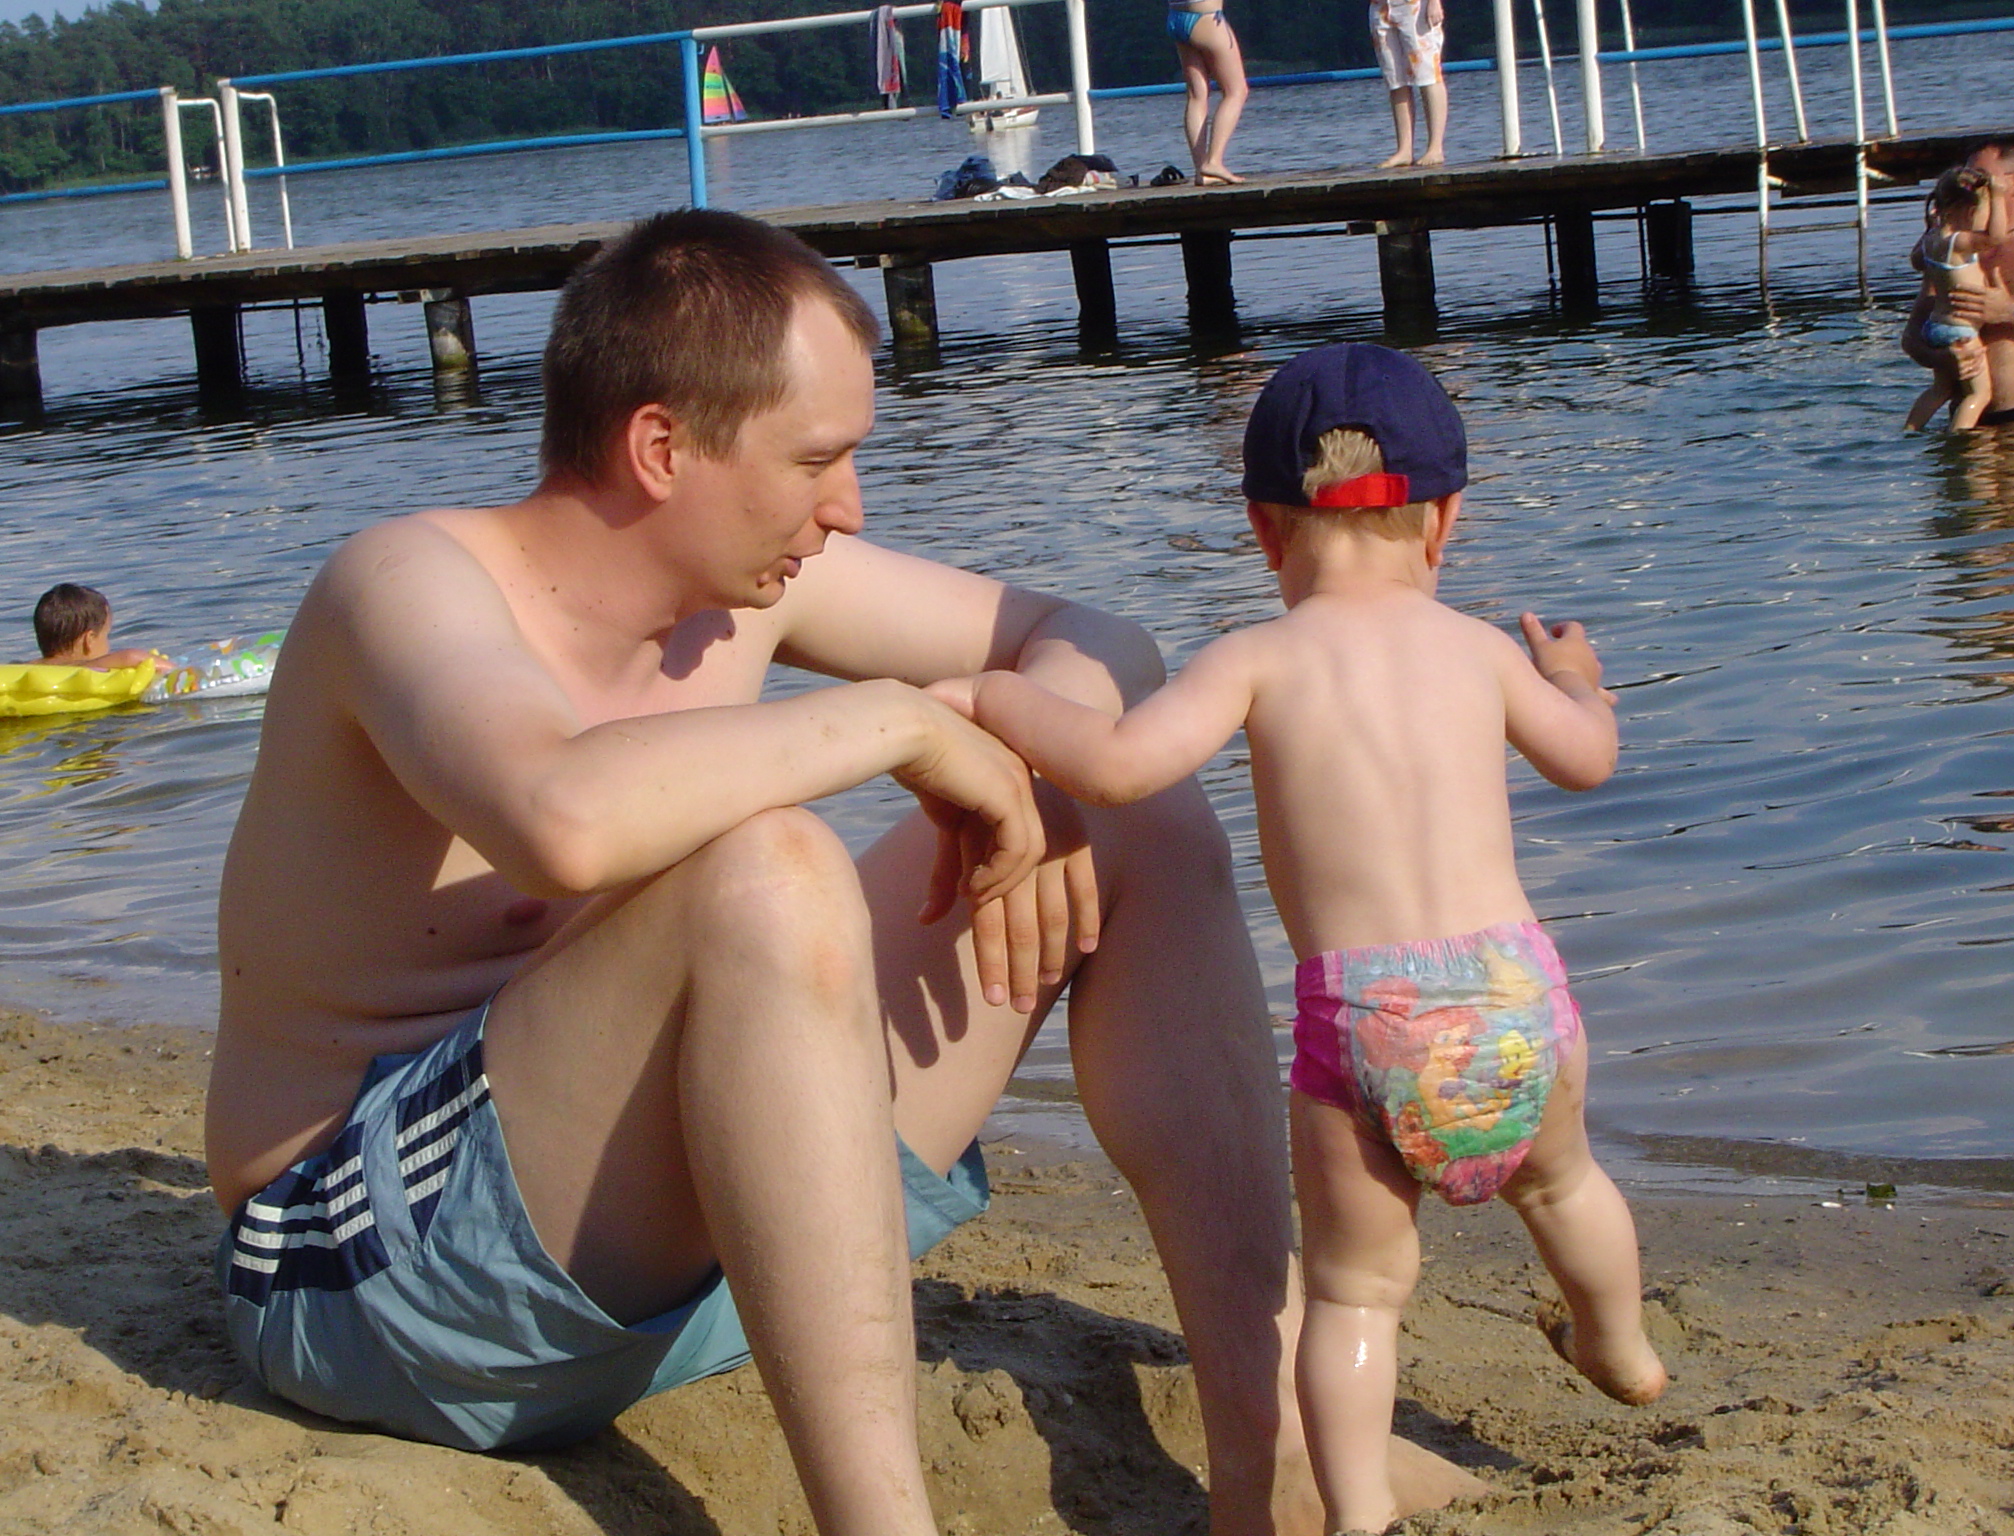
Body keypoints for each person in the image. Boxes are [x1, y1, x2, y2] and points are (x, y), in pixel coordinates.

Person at [206, 212, 1480, 1536]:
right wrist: (904, 721)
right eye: (816, 459)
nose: (849, 506)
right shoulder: (407, 585)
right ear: (662, 449)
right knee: (769, 867)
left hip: (666, 1264)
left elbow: (1099, 638)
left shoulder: (749, 588)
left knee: (1124, 800)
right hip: (366, 1279)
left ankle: (1272, 1448)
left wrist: (1025, 765)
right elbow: (559, 819)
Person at [929, 343, 1668, 1535]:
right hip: (1512, 998)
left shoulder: (1254, 659)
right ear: (1445, 523)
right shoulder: (1480, 650)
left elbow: (1115, 768)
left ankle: (1356, 1511)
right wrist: (1578, 680)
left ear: (1263, 531)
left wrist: (989, 697)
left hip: (1368, 1024)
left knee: (1354, 1293)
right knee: (1565, 1184)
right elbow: (1586, 760)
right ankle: (1618, 1344)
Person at [1904, 140, 2014, 428]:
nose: (1967, 185)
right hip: (1969, 426)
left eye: (1978, 178)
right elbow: (1911, 339)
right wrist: (1941, 358)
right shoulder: (1951, 250)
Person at [1905, 167, 2006, 432]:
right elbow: (1996, 238)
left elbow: (1916, 262)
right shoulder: (1958, 242)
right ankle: (1958, 440)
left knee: (1940, 390)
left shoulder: (1930, 240)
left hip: (1936, 326)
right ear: (1966, 211)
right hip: (1961, 330)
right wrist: (1996, 197)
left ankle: (1910, 429)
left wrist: (1931, 225)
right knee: (1979, 394)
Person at [1168, 0, 1249, 185]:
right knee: (1236, 91)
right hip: (1206, 17)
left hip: (1177, 17)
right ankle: (1214, 161)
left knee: (1196, 96)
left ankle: (1202, 171)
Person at [1368, 0, 1448, 169]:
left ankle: (1435, 148)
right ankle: (1404, 150)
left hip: (1415, 6)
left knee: (1428, 74)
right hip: (1380, 7)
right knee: (1395, 79)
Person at [29, 582, 161, 671]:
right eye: (106, 635)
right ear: (89, 639)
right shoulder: (84, 666)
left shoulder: (28, 667)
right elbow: (130, 657)